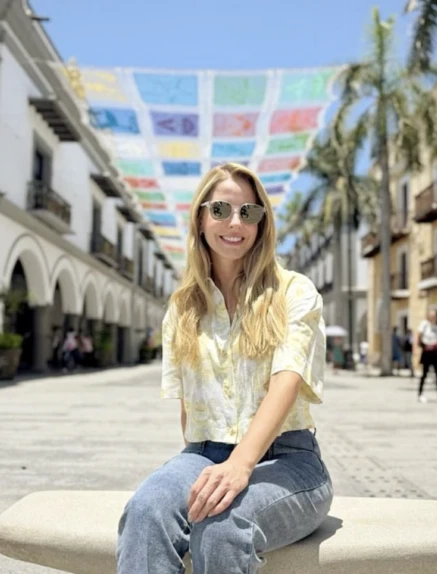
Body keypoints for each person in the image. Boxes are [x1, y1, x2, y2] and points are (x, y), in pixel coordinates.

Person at [116, 162, 332, 573]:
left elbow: (286, 382)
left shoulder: (293, 291)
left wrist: (241, 464)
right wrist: (211, 464)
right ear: (200, 217)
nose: (235, 223)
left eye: (249, 213)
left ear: (261, 223)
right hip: (203, 451)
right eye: (220, 210)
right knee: (145, 511)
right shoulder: (182, 307)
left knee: (224, 525)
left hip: (289, 459)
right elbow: (189, 413)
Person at [415, 309, 437, 403]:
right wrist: (422, 345)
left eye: (434, 315)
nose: (433, 317)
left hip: (435, 351)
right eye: (431, 315)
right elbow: (419, 336)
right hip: (426, 351)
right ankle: (420, 394)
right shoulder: (424, 324)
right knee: (424, 374)